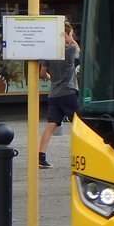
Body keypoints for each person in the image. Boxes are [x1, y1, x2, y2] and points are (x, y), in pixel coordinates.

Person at [38, 22, 80, 169]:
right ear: (66, 35)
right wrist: (70, 38)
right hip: (68, 92)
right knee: (81, 124)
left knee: (51, 124)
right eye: (71, 34)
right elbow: (78, 50)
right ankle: (82, 153)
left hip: (53, 94)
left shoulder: (49, 52)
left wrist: (53, 79)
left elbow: (42, 73)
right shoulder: (71, 50)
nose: (72, 37)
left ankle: (41, 156)